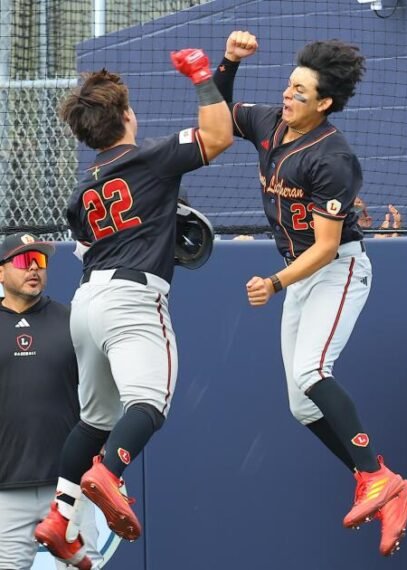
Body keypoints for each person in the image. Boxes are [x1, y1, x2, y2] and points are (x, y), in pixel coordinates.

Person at [212, 31, 407, 557]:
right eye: (288, 86)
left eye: (301, 92)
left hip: (337, 269)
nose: (288, 96)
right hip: (299, 275)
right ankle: (384, 482)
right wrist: (228, 64)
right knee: (302, 407)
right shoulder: (268, 123)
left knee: (311, 373)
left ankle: (375, 475)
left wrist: (276, 283)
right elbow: (217, 116)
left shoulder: (333, 156)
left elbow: (326, 247)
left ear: (324, 103)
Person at [34, 48, 233, 566]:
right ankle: (109, 473)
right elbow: (218, 136)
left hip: (86, 301)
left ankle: (60, 517)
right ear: (125, 116)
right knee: (150, 403)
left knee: (94, 421)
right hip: (132, 298)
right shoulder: (149, 157)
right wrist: (201, 76)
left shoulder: (80, 192)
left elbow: (102, 236)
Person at [0, 234, 102, 569]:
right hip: (6, 487)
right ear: (1, 273)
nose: (33, 267)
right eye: (21, 260)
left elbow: (99, 391)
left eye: (39, 261)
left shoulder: (72, 320)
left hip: (67, 483)